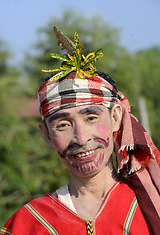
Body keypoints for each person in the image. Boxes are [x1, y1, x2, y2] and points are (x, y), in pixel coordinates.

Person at [1, 28, 160, 235]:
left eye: (91, 118)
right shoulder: (28, 223)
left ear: (115, 118)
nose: (81, 138)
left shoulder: (150, 205)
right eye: (63, 125)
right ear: (46, 135)